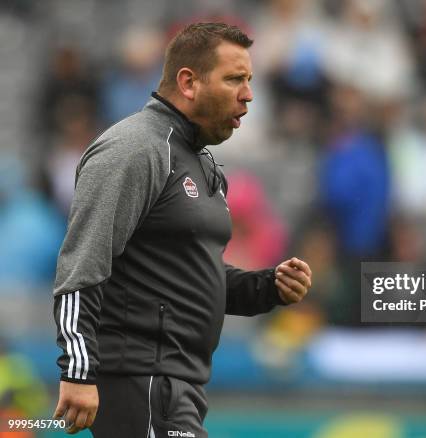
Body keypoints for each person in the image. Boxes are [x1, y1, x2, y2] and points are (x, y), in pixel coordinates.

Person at [51, 22, 312, 437]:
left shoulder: (201, 162)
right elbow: (82, 263)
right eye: (234, 79)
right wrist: (78, 370)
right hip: (141, 379)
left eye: (249, 80)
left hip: (176, 387)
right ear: (188, 82)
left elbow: (189, 277)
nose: (248, 94)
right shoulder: (135, 148)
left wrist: (268, 288)